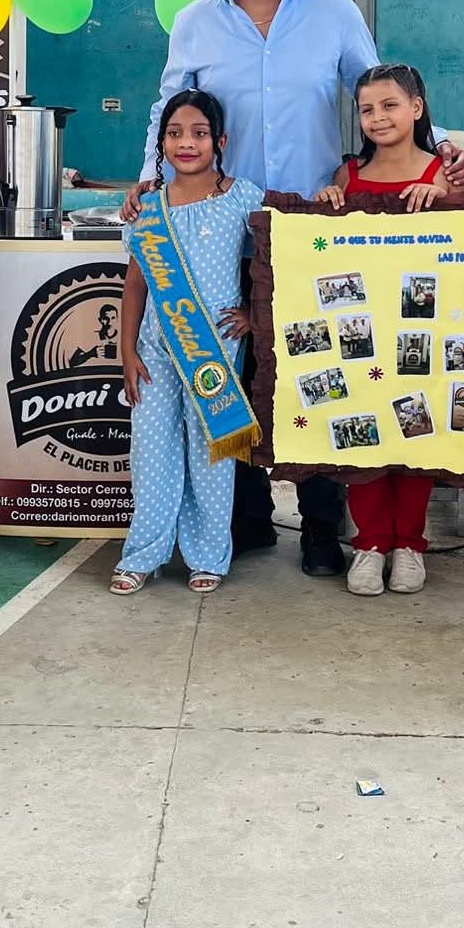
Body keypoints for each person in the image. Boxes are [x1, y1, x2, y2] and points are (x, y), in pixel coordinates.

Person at [126, 0, 464, 575]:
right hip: (219, 221)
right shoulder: (194, 22)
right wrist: (151, 180)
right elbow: (171, 107)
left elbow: (378, 96)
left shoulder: (335, 11)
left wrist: (435, 154)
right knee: (233, 363)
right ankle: (248, 519)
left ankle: (320, 528)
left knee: (320, 366)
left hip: (313, 226)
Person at [313, 64, 464, 595]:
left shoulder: (444, 175)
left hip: (421, 337)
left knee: (416, 433)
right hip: (363, 338)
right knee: (366, 432)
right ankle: (371, 542)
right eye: (366, 109)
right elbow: (323, 253)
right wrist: (323, 207)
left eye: (390, 105)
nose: (377, 117)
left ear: (417, 108)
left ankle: (410, 544)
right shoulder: (348, 174)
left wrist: (448, 202)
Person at [113, 90, 264, 594]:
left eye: (199, 133)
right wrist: (126, 350)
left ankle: (208, 556)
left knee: (211, 453)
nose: (186, 143)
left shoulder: (243, 197)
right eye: (174, 133)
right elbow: (136, 282)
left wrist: (254, 316)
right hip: (154, 350)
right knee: (151, 453)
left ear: (220, 141)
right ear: (161, 143)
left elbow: (270, 262)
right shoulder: (149, 206)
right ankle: (144, 553)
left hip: (214, 349)